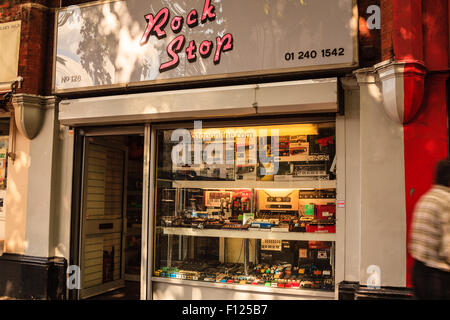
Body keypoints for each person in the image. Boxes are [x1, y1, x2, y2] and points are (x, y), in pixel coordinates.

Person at [409, 159, 450, 299]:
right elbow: (448, 247)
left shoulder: (426, 198)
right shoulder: (446, 201)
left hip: (419, 271)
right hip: (438, 277)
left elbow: (413, 242)